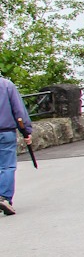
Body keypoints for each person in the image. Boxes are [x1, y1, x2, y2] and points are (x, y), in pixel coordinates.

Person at [0, 71, 34, 216]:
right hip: (5, 131)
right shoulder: (7, 85)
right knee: (7, 165)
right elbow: (19, 111)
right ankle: (4, 197)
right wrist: (26, 132)